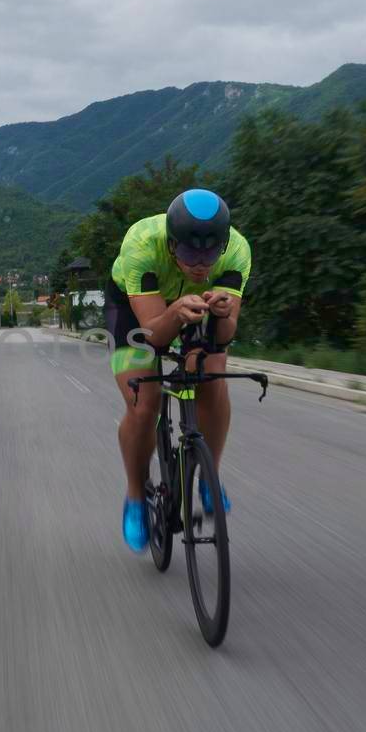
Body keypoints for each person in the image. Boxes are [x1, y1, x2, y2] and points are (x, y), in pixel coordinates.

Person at [104, 188, 250, 553]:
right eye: (188, 252)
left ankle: (208, 478)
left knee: (212, 374)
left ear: (223, 244)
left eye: (209, 253)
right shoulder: (141, 243)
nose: (200, 264)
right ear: (170, 245)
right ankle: (136, 496)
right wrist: (173, 313)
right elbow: (152, 335)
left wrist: (221, 314)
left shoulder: (236, 250)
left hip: (197, 307)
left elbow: (226, 334)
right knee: (143, 401)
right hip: (137, 313)